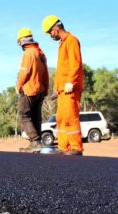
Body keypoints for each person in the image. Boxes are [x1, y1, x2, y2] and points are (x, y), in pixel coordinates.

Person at [42, 15, 84, 155]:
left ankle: (76, 147)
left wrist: (71, 82)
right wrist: (55, 88)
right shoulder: (62, 43)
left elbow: (75, 63)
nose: (50, 35)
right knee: (61, 118)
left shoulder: (71, 41)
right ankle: (63, 147)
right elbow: (61, 69)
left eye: (49, 32)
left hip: (70, 88)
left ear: (56, 28)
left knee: (70, 116)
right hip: (62, 89)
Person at [16, 28, 49, 153]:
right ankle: (37, 143)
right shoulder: (40, 53)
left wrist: (18, 86)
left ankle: (35, 141)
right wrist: (46, 88)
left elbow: (24, 72)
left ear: (22, 41)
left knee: (24, 116)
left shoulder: (28, 53)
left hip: (29, 89)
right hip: (41, 90)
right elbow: (46, 73)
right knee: (36, 117)